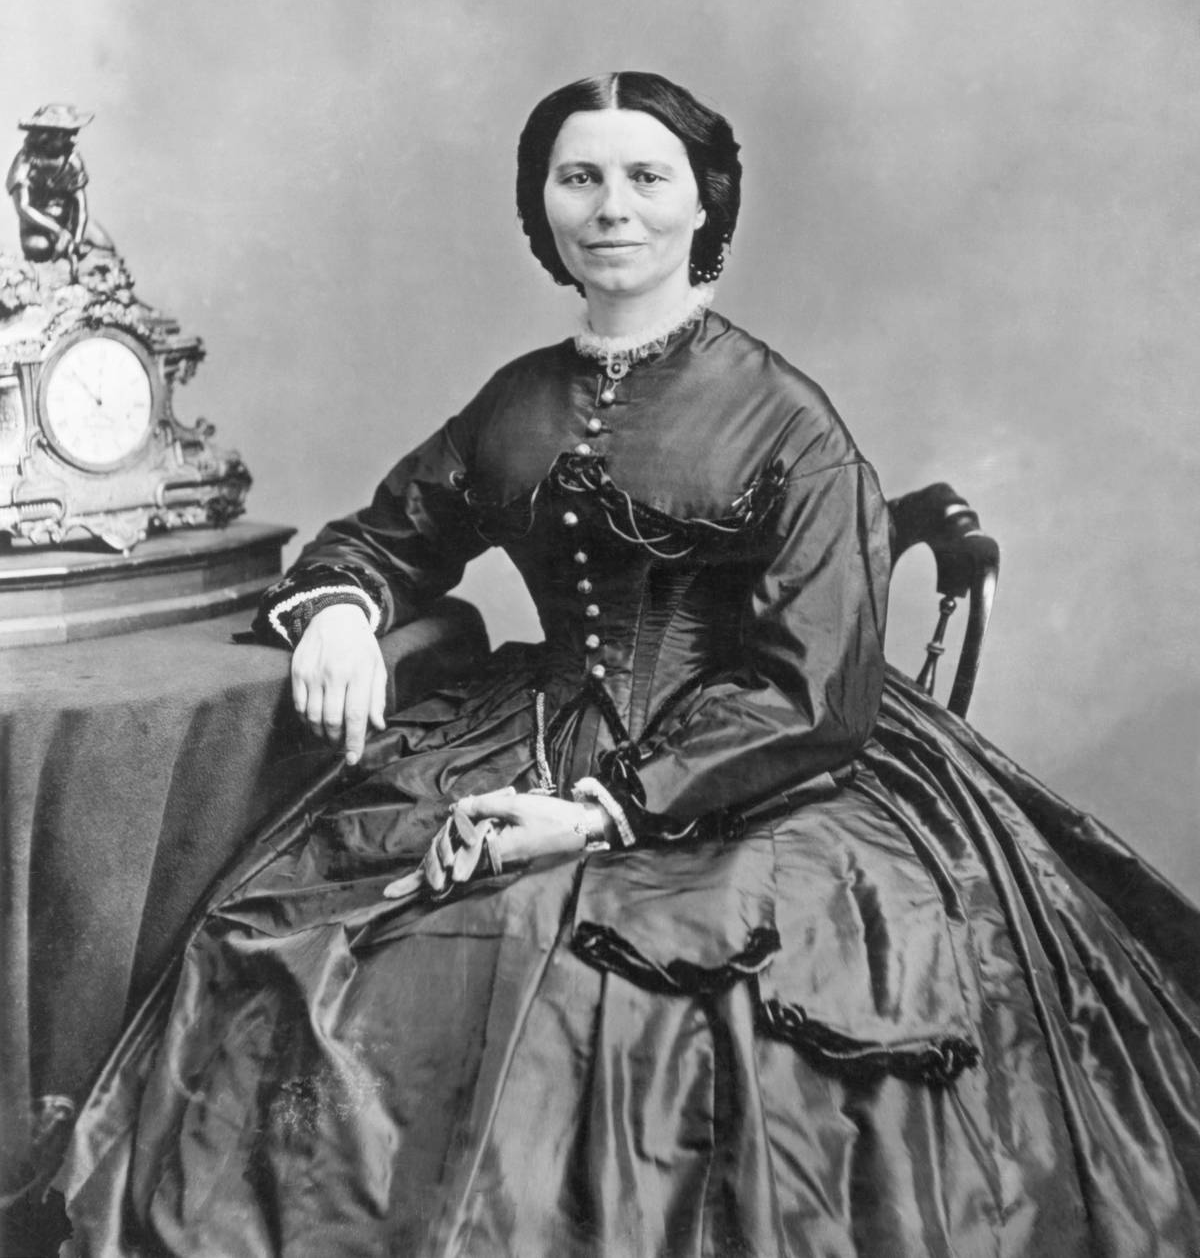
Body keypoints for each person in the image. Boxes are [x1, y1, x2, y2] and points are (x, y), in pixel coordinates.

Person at [54, 73, 1200, 1257]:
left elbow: (809, 691)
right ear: (541, 205)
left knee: (595, 991)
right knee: (326, 943)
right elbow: (387, 534)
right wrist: (344, 611)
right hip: (534, 722)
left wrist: (600, 814)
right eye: (579, 177)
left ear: (704, 204)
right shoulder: (519, 399)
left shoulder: (787, 419)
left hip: (756, 768)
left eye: (647, 178)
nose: (613, 208)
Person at [6, 105, 116, 270]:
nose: (72, 138)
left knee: (103, 244)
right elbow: (23, 207)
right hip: (37, 226)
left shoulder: (72, 159)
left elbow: (80, 205)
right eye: (66, 134)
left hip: (69, 222)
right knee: (40, 248)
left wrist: (76, 239)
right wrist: (58, 232)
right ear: (47, 136)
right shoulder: (25, 161)